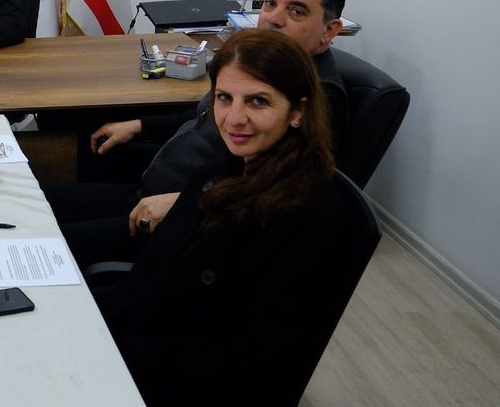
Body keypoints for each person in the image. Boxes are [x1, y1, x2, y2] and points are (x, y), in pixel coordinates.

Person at [92, 28, 357, 406]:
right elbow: (150, 281)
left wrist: (109, 354)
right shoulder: (231, 164)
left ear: (297, 112)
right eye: (224, 98)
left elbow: (252, 365)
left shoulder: (311, 215)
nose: (234, 118)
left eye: (258, 101)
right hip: (138, 333)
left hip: (170, 377)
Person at [44, 0, 350, 267]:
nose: (273, 18)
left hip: (183, 220)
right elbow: (202, 117)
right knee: (40, 203)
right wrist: (140, 125)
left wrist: (188, 204)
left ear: (329, 30)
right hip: (159, 188)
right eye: (270, 3)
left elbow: (278, 189)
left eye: (296, 11)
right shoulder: (262, 68)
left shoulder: (318, 96)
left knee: (46, 245)